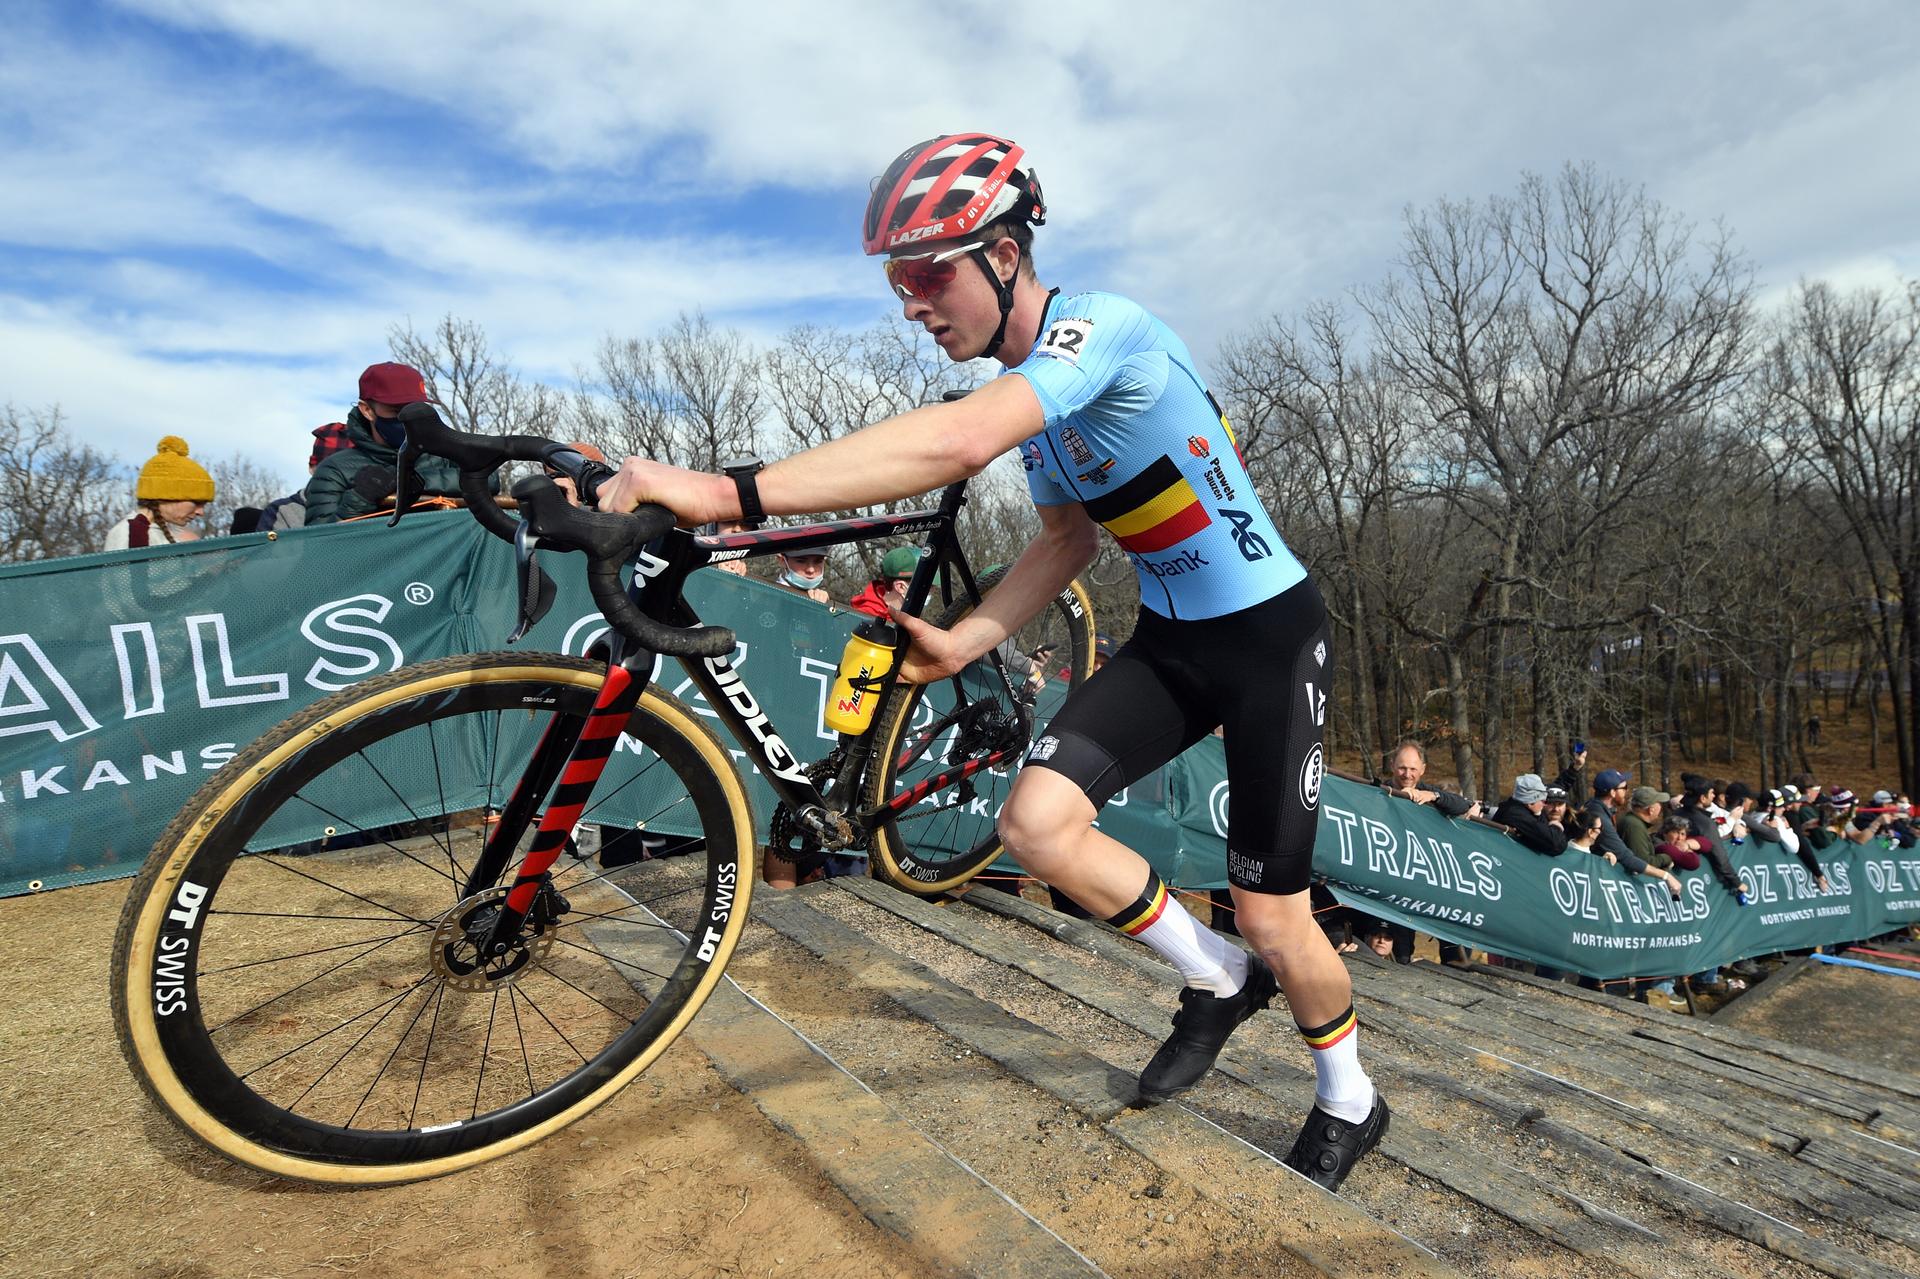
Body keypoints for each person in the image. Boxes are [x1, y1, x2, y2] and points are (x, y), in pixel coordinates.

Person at [596, 132, 1385, 1191]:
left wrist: (722, 490)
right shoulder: (1042, 406)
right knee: (1036, 826)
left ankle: (1351, 1095)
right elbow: (1067, 541)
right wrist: (968, 638)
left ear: (1005, 253)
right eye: (897, 283)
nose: (914, 305)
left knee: (1278, 917)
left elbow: (960, 441)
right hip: (1177, 640)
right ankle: (1213, 978)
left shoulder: (1101, 332)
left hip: (1270, 636)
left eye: (929, 275)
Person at [304, 363, 473, 524]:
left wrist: (408, 481)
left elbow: (488, 477)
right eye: (397, 411)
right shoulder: (335, 470)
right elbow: (318, 543)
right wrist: (359, 499)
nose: (410, 418)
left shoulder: (444, 451)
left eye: (416, 408)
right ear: (367, 410)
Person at [104, 436, 213, 549]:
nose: (201, 512)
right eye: (197, 502)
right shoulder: (128, 534)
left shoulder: (174, 534)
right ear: (166, 496)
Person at [258, 423, 352, 532]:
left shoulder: (370, 507)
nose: (336, 478)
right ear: (312, 467)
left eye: (348, 471)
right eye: (328, 470)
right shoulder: (282, 512)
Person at [1491, 774, 1569, 856]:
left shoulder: (1521, 810)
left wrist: (1537, 815)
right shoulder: (1516, 815)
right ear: (1531, 803)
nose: (1544, 805)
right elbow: (1556, 844)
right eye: (1543, 801)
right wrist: (1556, 827)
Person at [850, 546, 922, 617]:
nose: (932, 590)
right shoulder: (864, 619)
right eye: (927, 586)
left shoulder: (907, 617)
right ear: (901, 587)